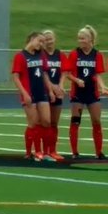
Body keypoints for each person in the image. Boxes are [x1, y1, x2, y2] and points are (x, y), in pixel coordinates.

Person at [13, 31, 55, 162]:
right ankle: (34, 152)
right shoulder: (20, 56)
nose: (41, 44)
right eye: (39, 41)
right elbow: (16, 77)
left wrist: (51, 90)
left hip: (41, 92)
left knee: (47, 121)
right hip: (29, 93)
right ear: (32, 39)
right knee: (34, 123)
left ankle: (47, 152)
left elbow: (44, 74)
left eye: (43, 42)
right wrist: (24, 93)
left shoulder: (41, 55)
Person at [66, 25, 106, 159]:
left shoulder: (97, 55)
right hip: (78, 93)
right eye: (79, 38)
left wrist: (102, 86)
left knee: (96, 121)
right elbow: (68, 74)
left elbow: (98, 75)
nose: (80, 40)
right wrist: (76, 80)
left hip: (92, 93)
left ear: (90, 39)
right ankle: (74, 152)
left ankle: (99, 152)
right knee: (75, 121)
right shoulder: (74, 54)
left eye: (83, 38)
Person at [41, 30, 68, 160]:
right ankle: (43, 150)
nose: (49, 41)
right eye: (46, 39)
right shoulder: (41, 55)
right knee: (45, 122)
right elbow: (43, 74)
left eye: (50, 38)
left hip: (57, 91)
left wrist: (61, 86)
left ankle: (53, 150)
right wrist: (52, 88)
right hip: (44, 92)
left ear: (55, 39)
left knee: (54, 123)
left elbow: (64, 72)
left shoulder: (60, 55)